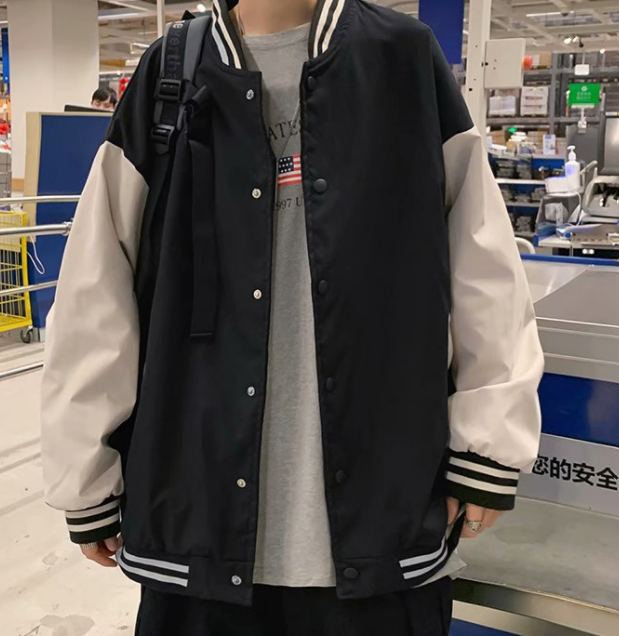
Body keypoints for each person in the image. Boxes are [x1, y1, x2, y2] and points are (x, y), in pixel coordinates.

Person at [41, 0, 544, 634]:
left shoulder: (402, 60)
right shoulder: (171, 72)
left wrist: (488, 447)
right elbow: (96, 287)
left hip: (381, 530)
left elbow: (483, 264)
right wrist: (85, 474)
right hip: (196, 531)